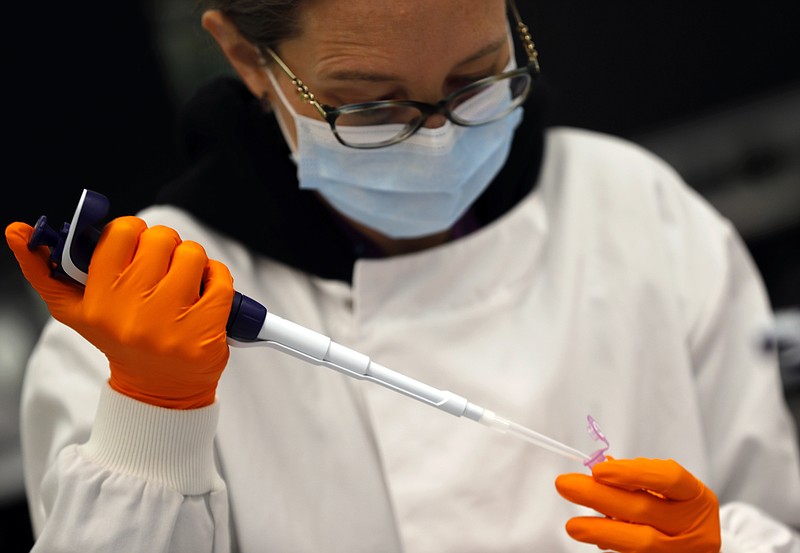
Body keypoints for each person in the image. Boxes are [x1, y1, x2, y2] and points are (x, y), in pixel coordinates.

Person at [5, 0, 800, 551]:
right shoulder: (145, 314)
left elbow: (772, 513)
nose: (437, 141)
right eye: (371, 108)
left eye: (477, 79)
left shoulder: (639, 211)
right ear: (248, 57)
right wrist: (151, 422)